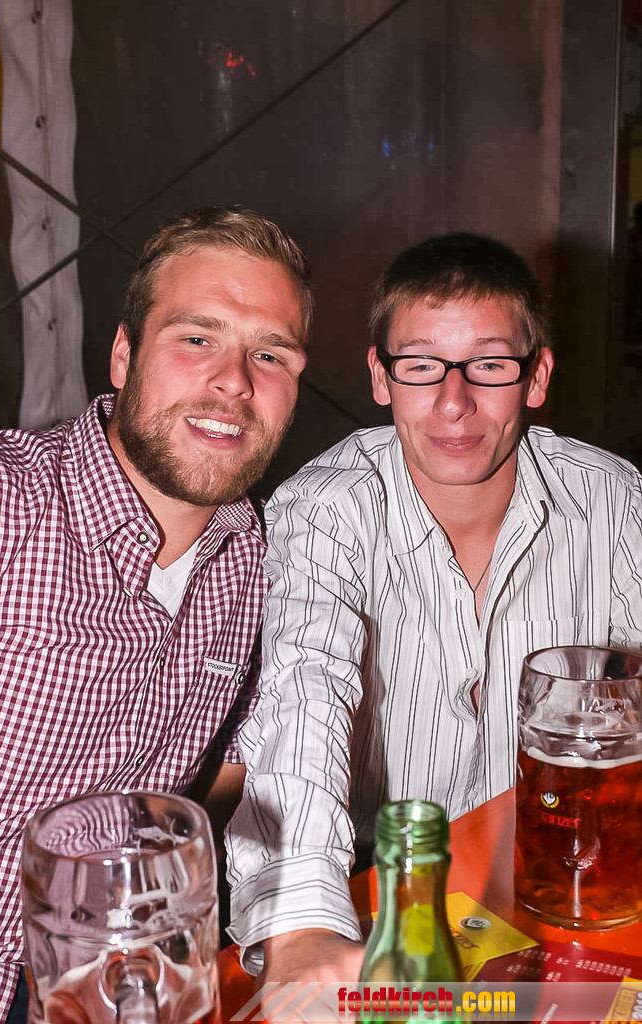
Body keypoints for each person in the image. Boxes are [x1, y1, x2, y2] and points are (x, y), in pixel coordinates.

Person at [225, 232, 642, 985]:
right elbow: (302, 697)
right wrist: (302, 926)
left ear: (536, 377)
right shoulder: (325, 508)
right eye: (420, 366)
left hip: (570, 869)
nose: (454, 402)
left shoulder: (611, 497)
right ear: (380, 378)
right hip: (371, 880)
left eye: (489, 364)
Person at [0, 205, 311, 1024]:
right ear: (123, 355)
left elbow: (246, 753)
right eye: (197, 338)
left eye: (269, 354)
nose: (234, 380)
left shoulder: (263, 560)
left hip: (113, 987)